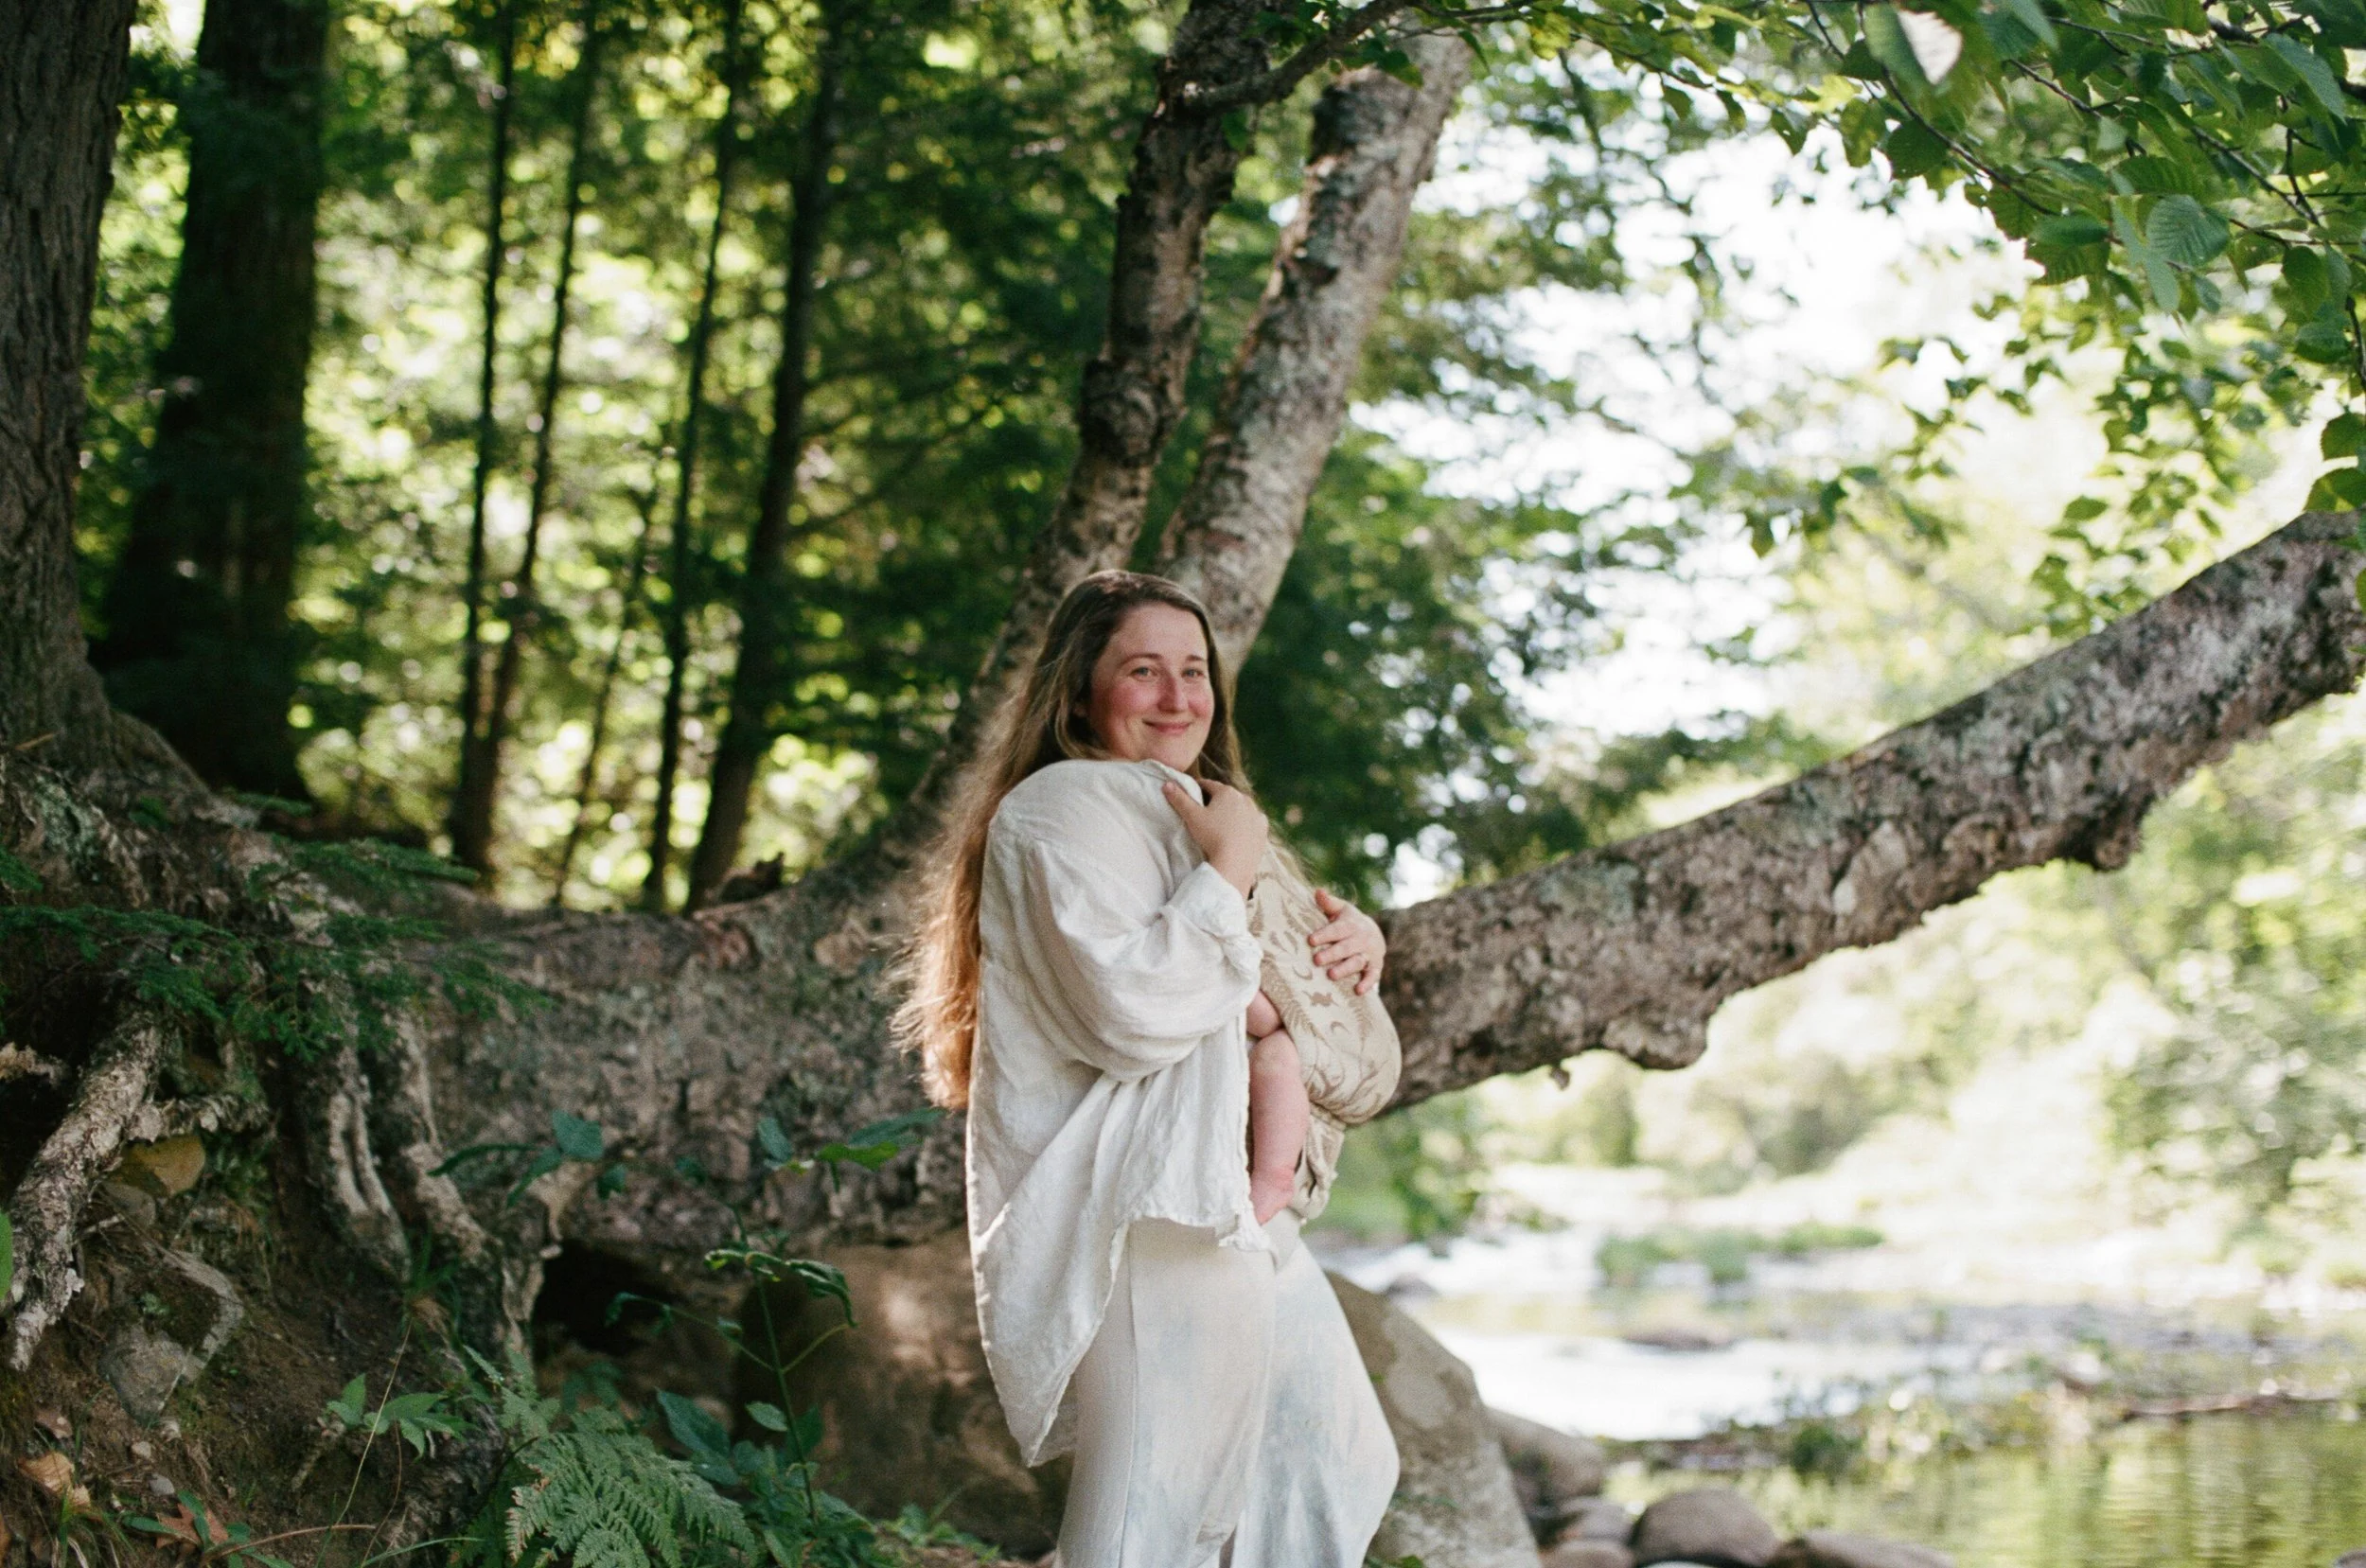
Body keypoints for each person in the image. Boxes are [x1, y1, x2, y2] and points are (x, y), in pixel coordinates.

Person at [897, 570, 1400, 1568]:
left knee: (1330, 1454)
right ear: (1080, 690)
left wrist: (1356, 951)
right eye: (1142, 670)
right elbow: (1135, 1010)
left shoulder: (1188, 804)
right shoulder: (1061, 806)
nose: (1177, 697)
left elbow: (1278, 976)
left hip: (1224, 1199)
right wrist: (1232, 864)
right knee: (1145, 1518)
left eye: (1194, 670)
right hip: (1144, 1203)